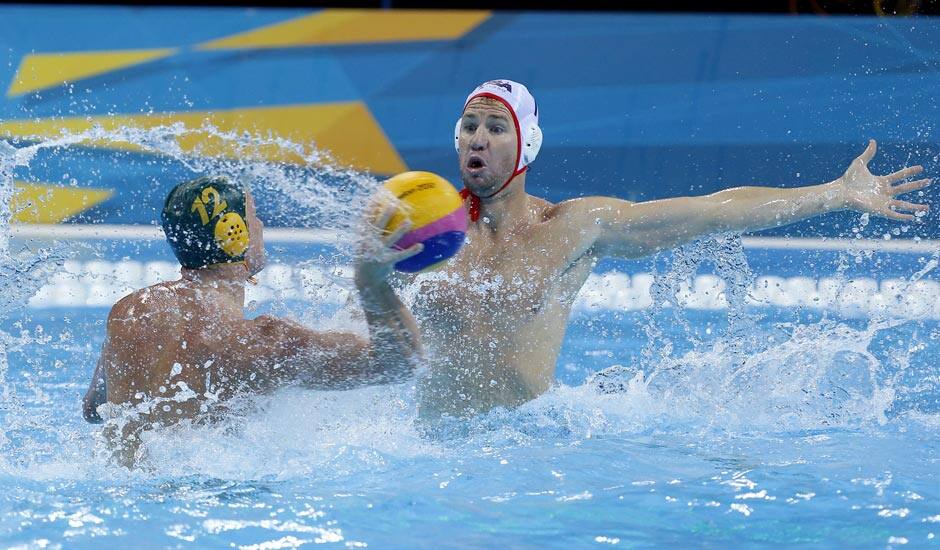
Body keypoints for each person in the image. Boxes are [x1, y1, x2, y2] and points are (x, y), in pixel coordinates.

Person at [408, 79, 931, 419]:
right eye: (469, 126)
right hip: (428, 448)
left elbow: (715, 210)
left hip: (519, 448)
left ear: (526, 146)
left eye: (496, 127)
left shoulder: (571, 228)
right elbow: (367, 333)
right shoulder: (421, 234)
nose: (478, 137)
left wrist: (835, 194)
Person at [82, 176, 423, 464]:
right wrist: (373, 285)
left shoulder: (131, 310)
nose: (260, 226)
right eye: (254, 217)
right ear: (235, 233)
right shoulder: (259, 341)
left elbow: (95, 409)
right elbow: (399, 364)